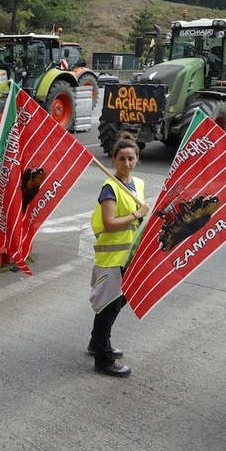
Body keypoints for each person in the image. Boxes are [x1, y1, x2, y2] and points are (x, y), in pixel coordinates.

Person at [87, 132, 151, 377]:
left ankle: (97, 344)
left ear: (137, 159)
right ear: (113, 160)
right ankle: (103, 359)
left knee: (117, 304)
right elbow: (110, 223)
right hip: (112, 259)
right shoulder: (109, 188)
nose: (127, 163)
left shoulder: (140, 184)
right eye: (122, 159)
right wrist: (137, 214)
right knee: (108, 309)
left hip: (129, 257)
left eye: (131, 158)